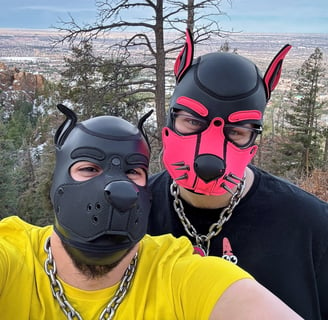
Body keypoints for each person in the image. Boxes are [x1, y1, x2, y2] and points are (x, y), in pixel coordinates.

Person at [0, 103, 302, 319]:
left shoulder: (178, 274)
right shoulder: (11, 257)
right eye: (89, 168)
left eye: (133, 172)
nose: (117, 188)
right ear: (58, 182)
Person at [147, 29, 328, 320]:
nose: (209, 157)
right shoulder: (132, 212)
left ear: (254, 139)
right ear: (170, 121)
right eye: (192, 121)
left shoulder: (313, 228)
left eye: (236, 131)